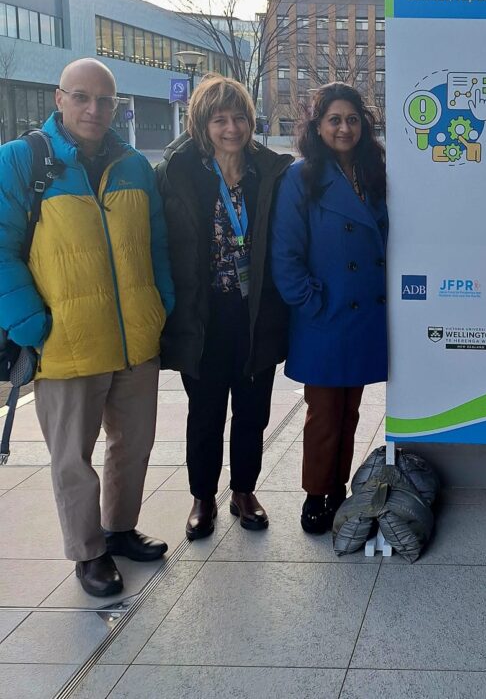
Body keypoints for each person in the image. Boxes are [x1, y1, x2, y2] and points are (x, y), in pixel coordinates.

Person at [0, 58, 174, 596]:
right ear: (59, 98)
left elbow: (156, 244)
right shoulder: (21, 162)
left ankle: (119, 530)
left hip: (134, 341)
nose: (94, 109)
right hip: (64, 340)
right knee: (72, 457)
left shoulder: (134, 166)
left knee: (134, 443)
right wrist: (28, 320)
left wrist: (159, 303)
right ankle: (88, 552)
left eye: (105, 101)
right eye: (82, 97)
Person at [156, 75, 294, 540]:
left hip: (256, 312)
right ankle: (201, 497)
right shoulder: (178, 172)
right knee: (206, 412)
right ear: (201, 123)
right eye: (219, 119)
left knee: (253, 410)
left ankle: (244, 491)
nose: (231, 128)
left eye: (238, 118)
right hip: (202, 315)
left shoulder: (270, 171)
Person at [271, 82, 387, 534]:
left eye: (352, 119)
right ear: (317, 126)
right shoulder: (301, 177)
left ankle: (338, 487)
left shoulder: (373, 172)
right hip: (325, 315)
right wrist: (311, 302)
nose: (344, 128)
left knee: (351, 410)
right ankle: (315, 494)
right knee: (323, 413)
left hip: (363, 315)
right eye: (334, 120)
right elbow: (286, 253)